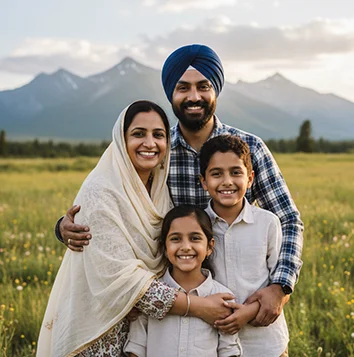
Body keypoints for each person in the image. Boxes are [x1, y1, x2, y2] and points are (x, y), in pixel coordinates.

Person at [55, 44, 304, 327]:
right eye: (183, 88)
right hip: (177, 309)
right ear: (171, 94)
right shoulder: (157, 152)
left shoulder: (249, 148)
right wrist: (67, 226)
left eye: (203, 86)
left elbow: (288, 220)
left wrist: (280, 286)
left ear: (216, 91)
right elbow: (118, 205)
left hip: (247, 307)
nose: (194, 96)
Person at [37, 101, 233, 357]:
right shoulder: (101, 191)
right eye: (139, 134)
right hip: (101, 330)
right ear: (121, 139)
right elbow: (121, 280)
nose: (150, 143)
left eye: (158, 135)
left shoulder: (160, 189)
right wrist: (198, 306)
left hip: (148, 329)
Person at [124, 205, 257, 357]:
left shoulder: (223, 297)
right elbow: (136, 348)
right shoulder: (150, 294)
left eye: (195, 238)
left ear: (209, 246)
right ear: (165, 248)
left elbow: (229, 351)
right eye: (176, 239)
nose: (186, 247)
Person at [200, 135, 289, 356]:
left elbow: (279, 282)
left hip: (266, 343)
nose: (227, 181)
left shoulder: (268, 223)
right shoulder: (198, 226)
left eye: (236, 172)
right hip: (214, 343)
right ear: (203, 181)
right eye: (216, 174)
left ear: (250, 179)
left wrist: (248, 313)